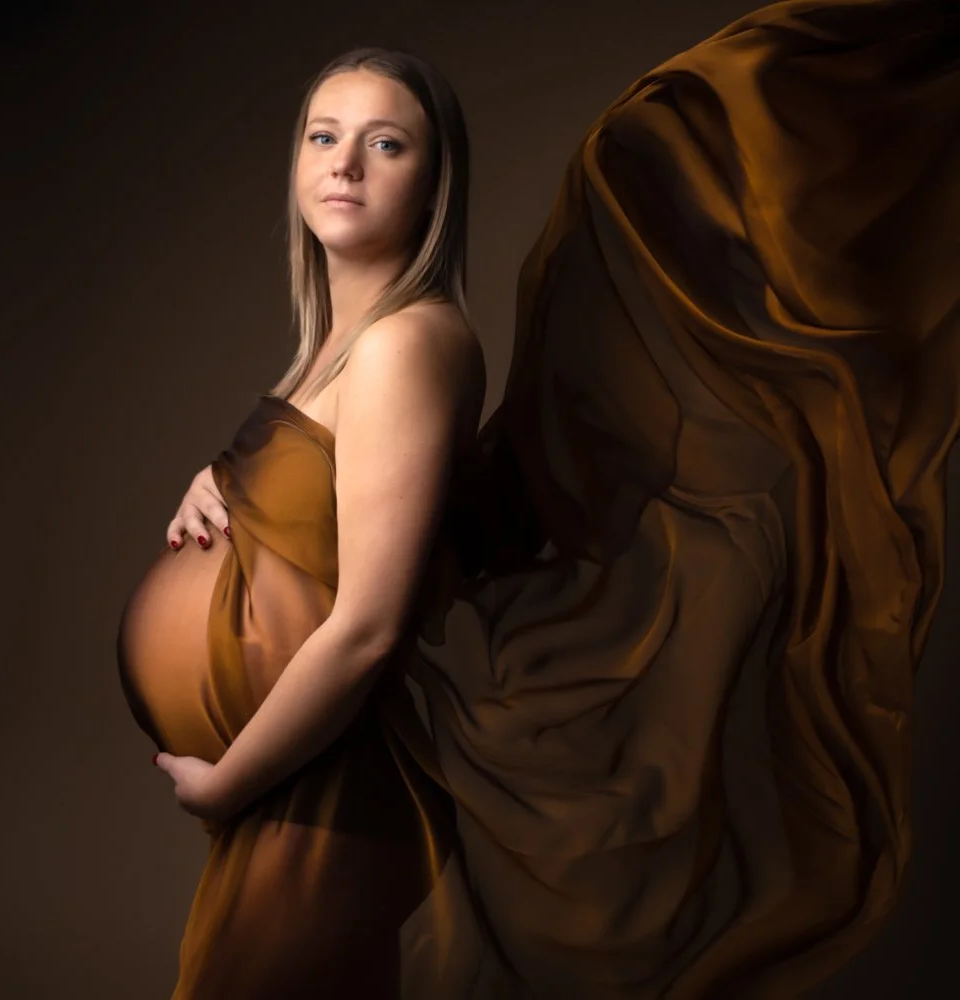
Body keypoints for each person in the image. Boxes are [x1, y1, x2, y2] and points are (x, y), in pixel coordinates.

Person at [117, 1, 960, 997]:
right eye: (324, 135)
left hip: (327, 780)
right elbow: (335, 508)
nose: (344, 163)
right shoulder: (336, 348)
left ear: (434, 182)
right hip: (302, 781)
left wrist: (230, 782)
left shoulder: (405, 343)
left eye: (385, 143)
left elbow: (368, 626)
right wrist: (225, 472)